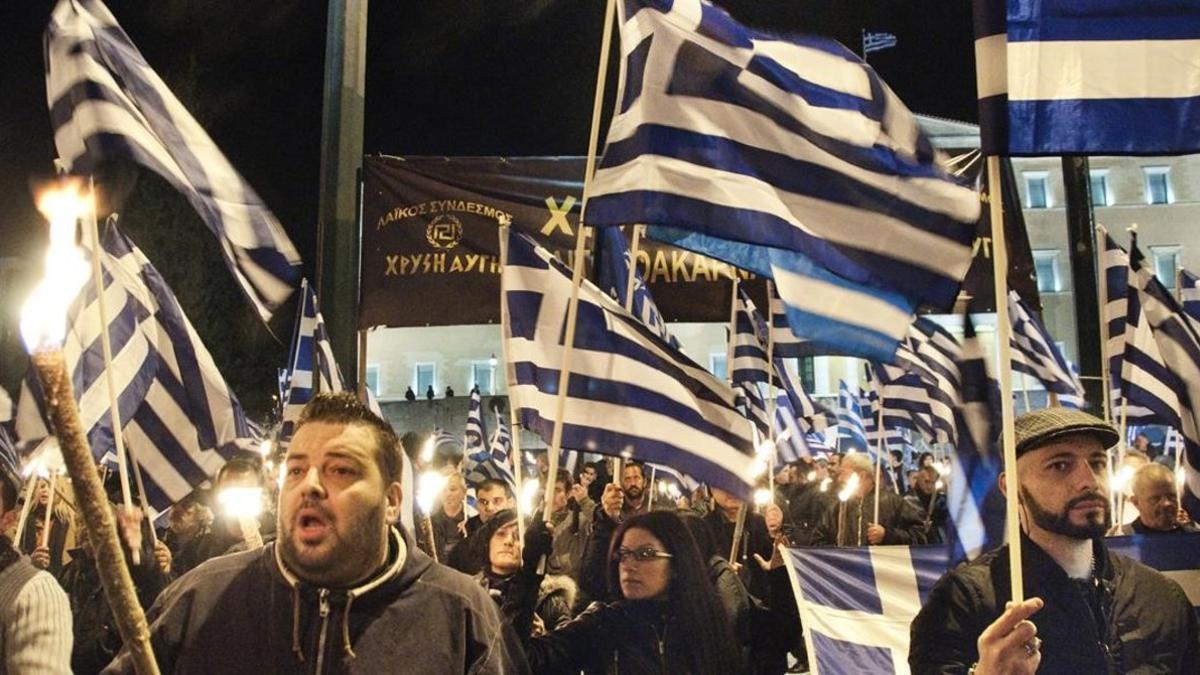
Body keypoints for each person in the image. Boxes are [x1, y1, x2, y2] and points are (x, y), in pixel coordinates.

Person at [103, 391, 527, 674]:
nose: (310, 484)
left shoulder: (460, 615)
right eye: (297, 469)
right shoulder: (200, 600)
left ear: (392, 502)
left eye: (341, 470)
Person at [910, 407, 1200, 673]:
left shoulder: (1160, 596)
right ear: (1011, 486)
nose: (1089, 481)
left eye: (1097, 463)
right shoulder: (964, 601)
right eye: (1060, 465)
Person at [508, 510, 742, 674]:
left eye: (645, 554)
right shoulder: (603, 622)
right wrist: (530, 571)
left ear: (677, 564)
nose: (629, 564)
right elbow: (519, 660)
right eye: (623, 554)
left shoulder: (706, 622)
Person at [450, 510, 576, 635]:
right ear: (488, 542)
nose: (508, 541)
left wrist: (542, 638)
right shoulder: (466, 591)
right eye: (501, 534)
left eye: (518, 536)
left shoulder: (549, 598)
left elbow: (565, 647)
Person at [0, 463, 72, 673]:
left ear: (7, 520)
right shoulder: (28, 522)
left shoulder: (34, 595)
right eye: (40, 487)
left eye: (48, 487)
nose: (44, 491)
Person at [811, 452, 928, 547]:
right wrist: (839, 554)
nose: (840, 478)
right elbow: (818, 540)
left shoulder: (894, 502)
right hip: (847, 573)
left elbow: (920, 536)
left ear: (861, 475)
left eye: (844, 473)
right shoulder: (837, 507)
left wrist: (887, 535)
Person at [1113, 462, 1200, 535]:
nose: (1166, 503)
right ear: (1136, 502)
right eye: (1155, 499)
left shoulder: (1193, 539)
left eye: (1172, 496)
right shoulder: (1122, 543)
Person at [546, 470, 592, 579]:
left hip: (571, 589)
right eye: (548, 489)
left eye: (557, 490)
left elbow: (603, 524)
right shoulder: (533, 522)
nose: (551, 495)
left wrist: (585, 501)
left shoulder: (580, 521)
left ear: (568, 494)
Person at [903, 465, 947, 544]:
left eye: (933, 482)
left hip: (937, 544)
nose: (929, 486)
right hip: (916, 544)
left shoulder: (941, 500)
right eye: (926, 481)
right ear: (919, 480)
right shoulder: (908, 500)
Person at [429, 472, 467, 560]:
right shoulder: (430, 523)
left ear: (464, 492)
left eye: (452, 489)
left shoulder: (472, 521)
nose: (448, 494)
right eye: (443, 490)